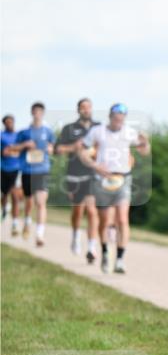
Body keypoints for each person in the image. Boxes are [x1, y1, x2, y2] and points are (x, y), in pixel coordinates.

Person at [78, 103, 150, 274]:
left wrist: (145, 142)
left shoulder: (129, 132)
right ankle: (104, 252)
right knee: (104, 222)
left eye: (122, 118)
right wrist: (95, 166)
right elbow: (82, 151)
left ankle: (119, 259)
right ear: (110, 116)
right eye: (116, 118)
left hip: (123, 178)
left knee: (122, 219)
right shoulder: (98, 131)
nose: (119, 121)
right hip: (102, 179)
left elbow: (144, 152)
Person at [56, 98, 101, 263]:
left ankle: (91, 247)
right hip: (74, 175)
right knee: (78, 212)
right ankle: (75, 235)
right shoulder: (69, 128)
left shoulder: (99, 127)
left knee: (91, 211)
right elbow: (58, 149)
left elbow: (106, 147)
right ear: (78, 110)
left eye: (89, 107)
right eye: (83, 107)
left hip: (92, 174)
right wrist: (72, 147)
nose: (86, 110)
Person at [16, 102, 56, 247]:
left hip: (43, 170)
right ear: (32, 113)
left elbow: (53, 146)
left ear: (42, 113)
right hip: (27, 170)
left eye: (40, 111)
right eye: (35, 111)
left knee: (41, 202)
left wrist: (51, 149)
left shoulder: (48, 131)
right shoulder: (24, 132)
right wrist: (24, 145)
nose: (37, 113)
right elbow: (13, 149)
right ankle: (27, 220)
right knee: (29, 202)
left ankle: (39, 235)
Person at [1, 115, 24, 236]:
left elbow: (24, 149)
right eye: (7, 122)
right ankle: (4, 208)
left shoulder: (19, 136)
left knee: (15, 195)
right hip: (3, 168)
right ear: (4, 124)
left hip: (16, 168)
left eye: (11, 122)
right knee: (4, 194)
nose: (10, 124)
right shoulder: (1, 136)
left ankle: (15, 223)